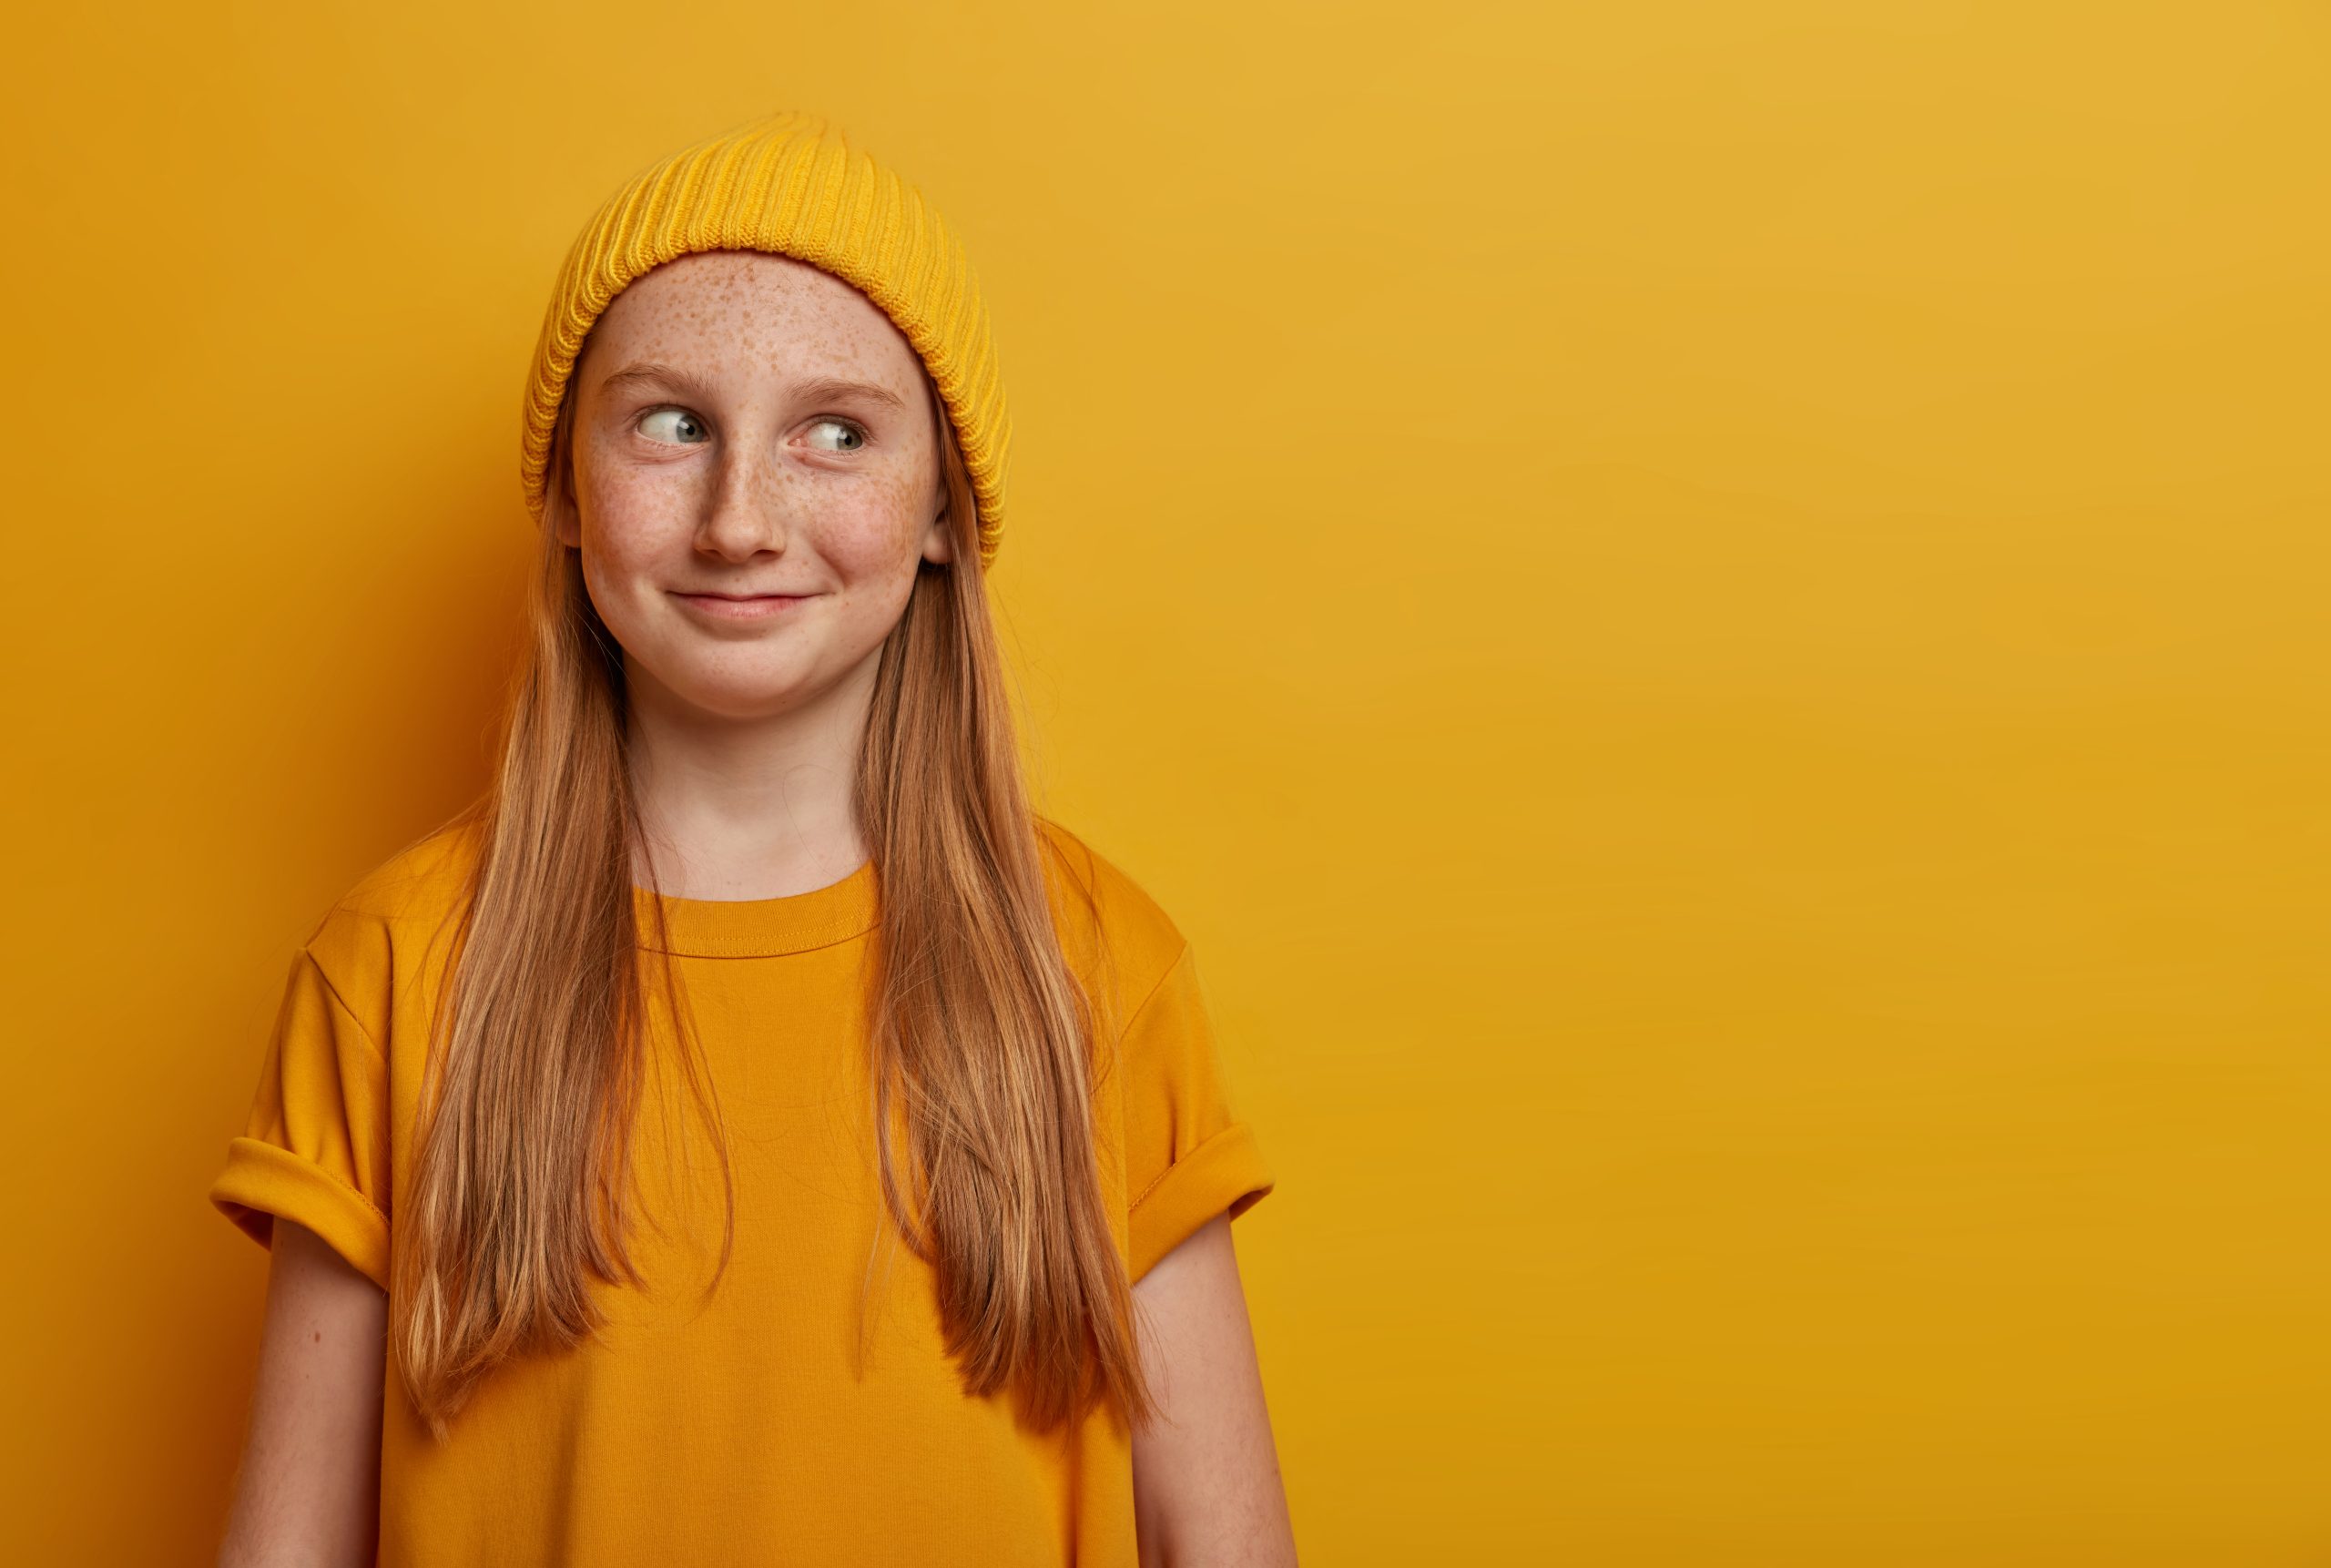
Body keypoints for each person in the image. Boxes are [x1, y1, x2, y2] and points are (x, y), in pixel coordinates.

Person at [206, 108, 1296, 1567]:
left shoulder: (1097, 971)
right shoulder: (395, 968)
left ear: (937, 517)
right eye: (672, 422)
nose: (740, 519)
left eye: (834, 433)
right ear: (572, 500)